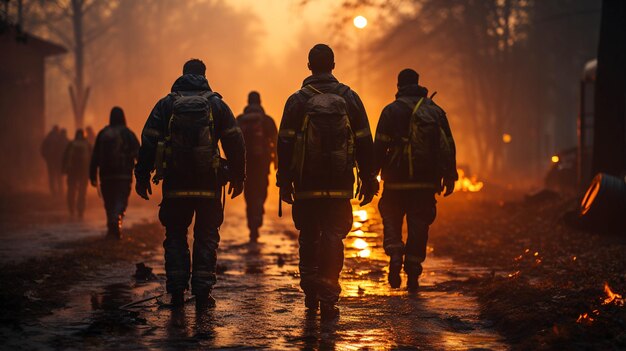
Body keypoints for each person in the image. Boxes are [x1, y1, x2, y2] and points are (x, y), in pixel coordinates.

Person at [277, 44, 378, 320]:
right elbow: (365, 141)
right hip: (340, 183)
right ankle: (329, 297)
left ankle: (310, 291)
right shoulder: (350, 98)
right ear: (333, 65)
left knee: (309, 235)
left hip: (306, 184)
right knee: (334, 235)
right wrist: (369, 177)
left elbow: (284, 143)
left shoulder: (297, 100)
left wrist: (283, 181)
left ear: (309, 65)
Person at [134, 59, 245, 309]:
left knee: (175, 235)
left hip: (175, 183)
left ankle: (176, 291)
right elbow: (235, 142)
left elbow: (149, 140)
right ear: (205, 75)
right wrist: (239, 175)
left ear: (183, 75)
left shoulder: (166, 104)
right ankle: (203, 293)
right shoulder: (216, 104)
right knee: (206, 235)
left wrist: (142, 176)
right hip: (209, 183)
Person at [373, 69, 458, 291]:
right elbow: (448, 145)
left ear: (398, 86)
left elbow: (379, 146)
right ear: (418, 84)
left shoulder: (390, 111)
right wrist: (450, 176)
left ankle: (394, 249)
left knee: (391, 216)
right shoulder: (435, 112)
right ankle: (412, 273)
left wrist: (370, 176)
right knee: (419, 224)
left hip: (395, 179)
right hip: (426, 181)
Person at [90, 107, 140, 239]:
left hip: (106, 175)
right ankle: (116, 221)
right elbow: (139, 153)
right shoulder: (128, 134)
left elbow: (95, 156)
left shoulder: (103, 134)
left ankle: (111, 228)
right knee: (120, 200)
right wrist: (142, 171)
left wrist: (92, 174)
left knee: (109, 202)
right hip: (124, 174)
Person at [236, 91, 277, 243]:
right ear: (260, 101)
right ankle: (258, 212)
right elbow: (276, 141)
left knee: (248, 192)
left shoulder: (241, 120)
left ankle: (252, 225)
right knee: (261, 189)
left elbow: (233, 141)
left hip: (246, 164)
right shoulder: (267, 120)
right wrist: (276, 161)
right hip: (262, 163)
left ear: (248, 101)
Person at [63, 129, 92, 218]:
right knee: (82, 192)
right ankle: (80, 210)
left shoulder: (71, 144)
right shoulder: (87, 145)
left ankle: (71, 208)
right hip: (84, 171)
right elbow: (92, 159)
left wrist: (64, 170)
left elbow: (65, 157)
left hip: (72, 172)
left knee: (71, 191)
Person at [41, 125, 62, 196]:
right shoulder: (59, 138)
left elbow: (42, 149)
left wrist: (46, 157)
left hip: (50, 160)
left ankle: (53, 191)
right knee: (59, 175)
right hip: (58, 160)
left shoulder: (48, 138)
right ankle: (61, 190)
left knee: (51, 175)